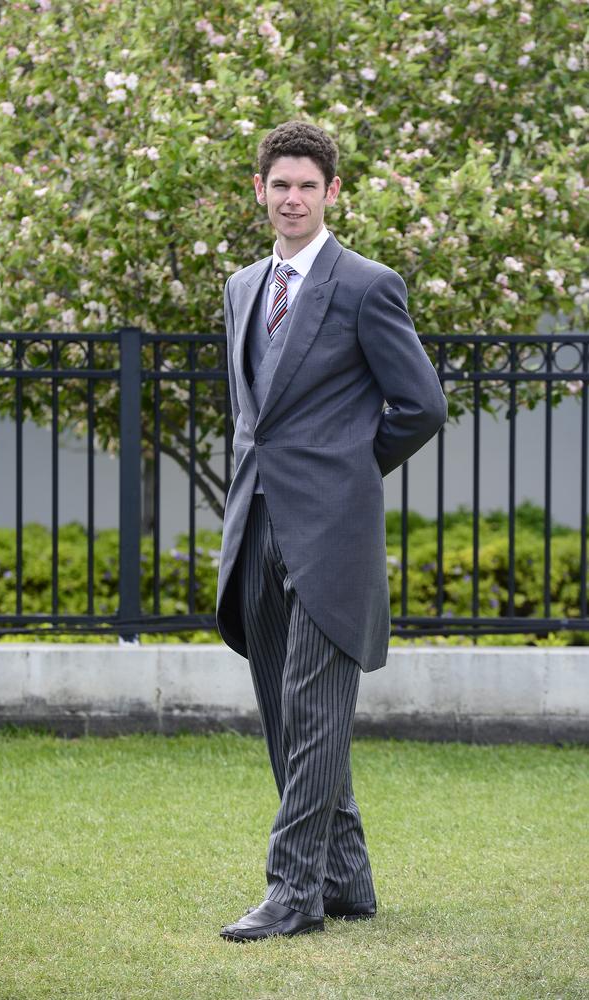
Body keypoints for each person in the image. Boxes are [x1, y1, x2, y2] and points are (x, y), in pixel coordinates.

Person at [215, 121, 447, 942]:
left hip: (332, 535)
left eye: (307, 185)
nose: (292, 198)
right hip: (257, 527)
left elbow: (421, 405)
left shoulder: (367, 285)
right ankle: (346, 878)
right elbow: (252, 415)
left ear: (332, 193)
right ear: (260, 191)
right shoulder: (243, 288)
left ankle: (293, 893)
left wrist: (347, 471)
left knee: (314, 710)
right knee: (286, 714)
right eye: (279, 184)